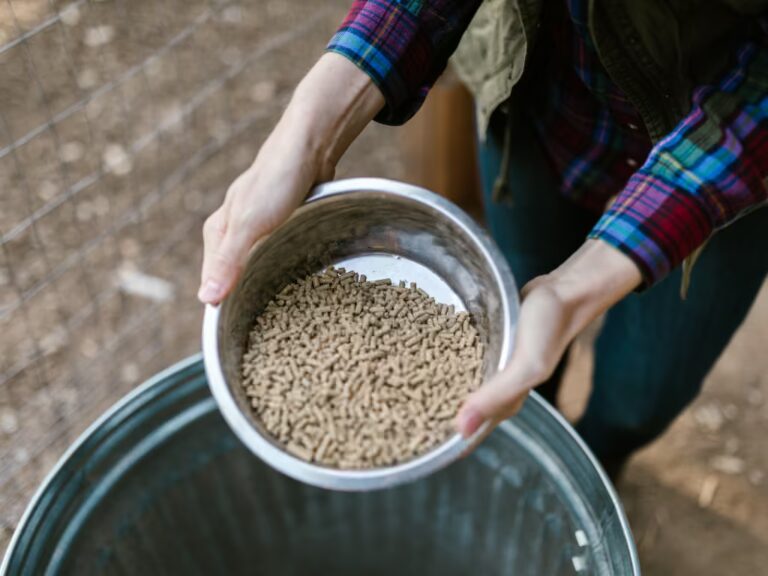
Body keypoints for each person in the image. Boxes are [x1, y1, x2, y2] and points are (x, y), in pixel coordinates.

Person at [198, 0, 768, 477]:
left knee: (642, 394)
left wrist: (573, 294)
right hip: (539, 106)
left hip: (720, 172)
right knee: (515, 322)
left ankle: (598, 459)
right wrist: (307, 134)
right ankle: (517, 446)